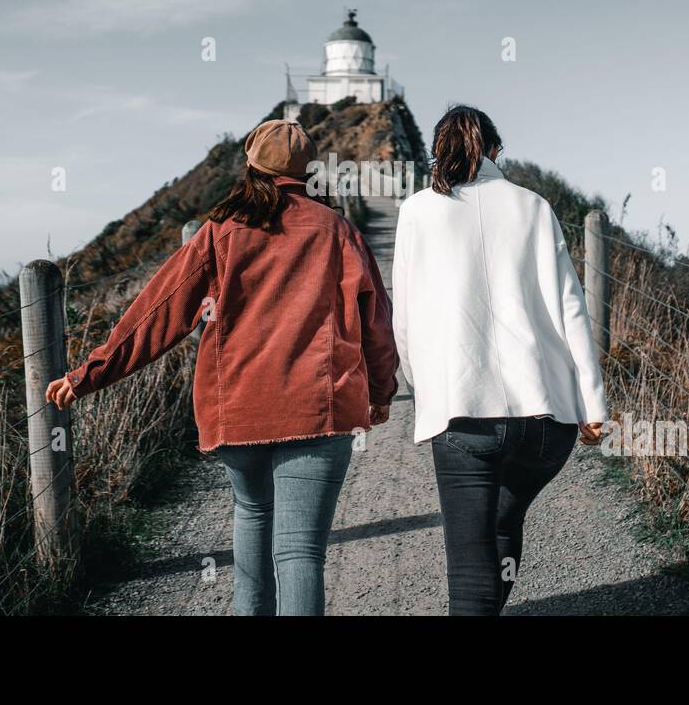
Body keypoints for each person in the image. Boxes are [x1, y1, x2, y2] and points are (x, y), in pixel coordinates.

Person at [47, 119, 398, 616]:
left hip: (238, 408)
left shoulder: (220, 232)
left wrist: (89, 374)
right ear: (307, 171)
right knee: (299, 552)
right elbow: (375, 323)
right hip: (317, 409)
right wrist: (381, 392)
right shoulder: (337, 230)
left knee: (252, 516)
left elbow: (156, 312)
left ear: (250, 165)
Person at [391, 105, 607, 615]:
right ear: (495, 151)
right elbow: (570, 308)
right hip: (546, 420)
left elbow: (404, 318)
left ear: (438, 151)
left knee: (469, 567)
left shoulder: (417, 211)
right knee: (504, 525)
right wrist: (593, 403)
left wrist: (429, 390)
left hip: (462, 416)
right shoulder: (533, 206)